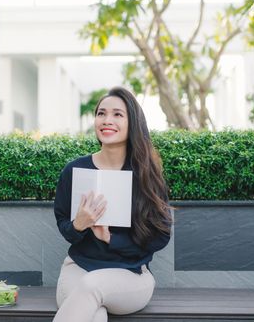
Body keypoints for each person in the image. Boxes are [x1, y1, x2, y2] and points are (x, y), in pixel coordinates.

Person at [53, 87, 172, 322]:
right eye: (101, 113)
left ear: (132, 122)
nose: (107, 120)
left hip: (131, 276)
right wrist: (79, 224)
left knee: (91, 286)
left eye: (118, 114)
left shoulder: (146, 174)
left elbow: (160, 237)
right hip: (78, 269)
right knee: (95, 316)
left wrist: (110, 239)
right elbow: (64, 226)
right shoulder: (74, 170)